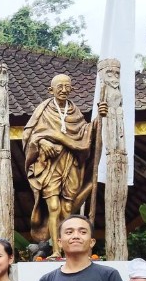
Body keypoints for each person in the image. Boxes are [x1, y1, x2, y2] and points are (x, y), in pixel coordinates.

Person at [23, 74, 107, 257]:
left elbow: (85, 133)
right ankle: (55, 251)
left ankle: (68, 249)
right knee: (53, 206)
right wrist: (41, 142)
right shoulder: (43, 110)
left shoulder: (74, 112)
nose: (63, 90)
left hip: (71, 163)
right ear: (50, 90)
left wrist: (99, 119)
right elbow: (29, 134)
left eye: (67, 86)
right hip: (49, 165)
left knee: (68, 208)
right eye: (59, 86)